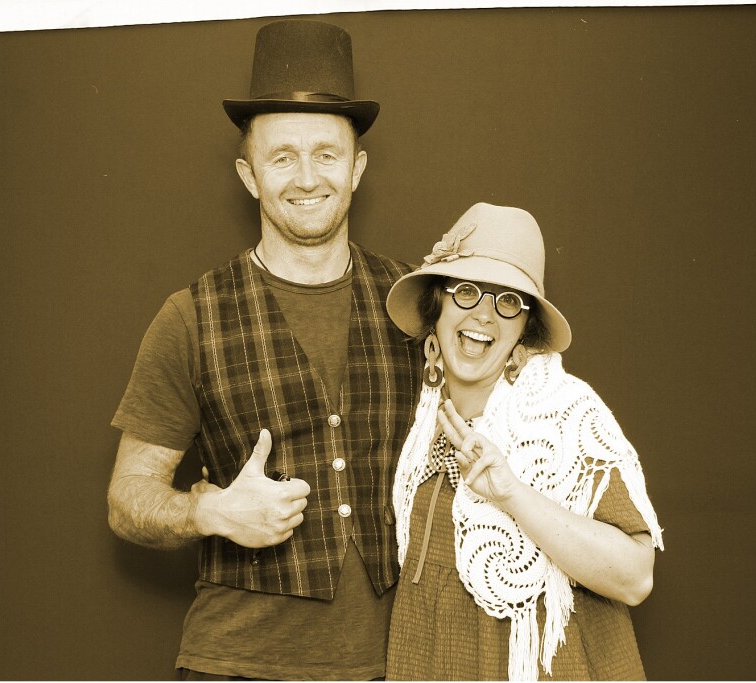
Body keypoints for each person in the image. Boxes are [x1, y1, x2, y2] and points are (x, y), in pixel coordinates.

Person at [106, 19, 422, 681]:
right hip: (236, 665)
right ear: (249, 175)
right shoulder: (190, 316)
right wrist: (207, 509)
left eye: (326, 154)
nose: (307, 178)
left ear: (357, 168)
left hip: (399, 662)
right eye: (282, 157)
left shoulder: (416, 303)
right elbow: (127, 498)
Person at [383, 203, 664, 681]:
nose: (484, 316)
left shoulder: (565, 411)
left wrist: (512, 493)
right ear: (437, 304)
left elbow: (635, 577)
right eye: (466, 291)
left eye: (508, 301)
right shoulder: (419, 412)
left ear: (524, 327)